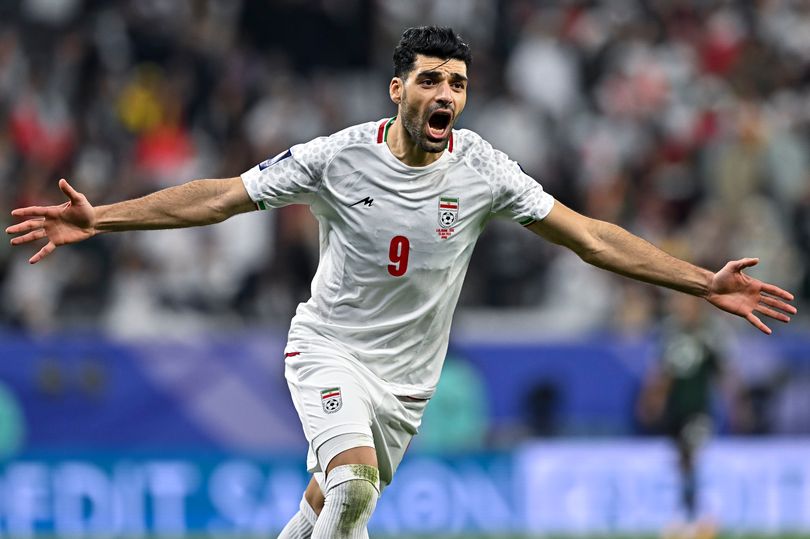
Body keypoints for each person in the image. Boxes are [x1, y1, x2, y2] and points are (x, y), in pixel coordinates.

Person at [5, 26, 797, 539]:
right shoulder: (336, 156)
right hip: (328, 352)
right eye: (429, 80)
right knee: (351, 487)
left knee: (324, 503)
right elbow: (219, 195)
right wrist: (100, 218)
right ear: (398, 90)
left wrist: (700, 282)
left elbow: (588, 236)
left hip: (407, 385)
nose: (444, 94)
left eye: (455, 82)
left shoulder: (484, 168)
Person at [636, 293, 746, 531]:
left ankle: (696, 515)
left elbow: (725, 372)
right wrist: (653, 400)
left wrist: (735, 405)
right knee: (681, 460)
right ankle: (690, 512)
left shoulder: (713, 332)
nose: (682, 307)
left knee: (691, 453)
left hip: (700, 408)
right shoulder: (668, 331)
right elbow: (660, 372)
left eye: (687, 302)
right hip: (676, 409)